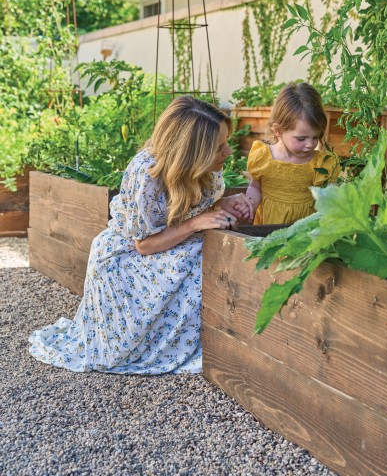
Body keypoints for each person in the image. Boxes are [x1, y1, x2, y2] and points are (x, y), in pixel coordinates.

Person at [29, 96, 252, 375]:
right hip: (127, 259)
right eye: (220, 146)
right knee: (201, 261)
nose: (229, 151)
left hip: (170, 242)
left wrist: (223, 205)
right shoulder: (147, 174)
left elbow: (190, 211)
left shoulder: (204, 170)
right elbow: (144, 244)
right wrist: (196, 223)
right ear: (192, 152)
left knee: (213, 251)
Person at [245, 82, 341, 225]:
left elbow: (330, 192)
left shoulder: (320, 163)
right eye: (301, 138)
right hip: (267, 230)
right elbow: (255, 187)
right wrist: (250, 203)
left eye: (316, 137)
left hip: (304, 233)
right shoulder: (263, 157)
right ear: (278, 131)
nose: (310, 144)